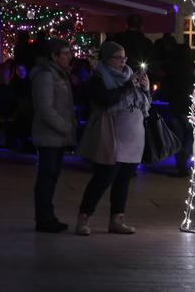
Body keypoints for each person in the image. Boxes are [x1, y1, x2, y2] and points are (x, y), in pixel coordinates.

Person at [75, 41, 150, 235]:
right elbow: (105, 100)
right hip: (111, 137)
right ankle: (84, 218)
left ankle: (117, 219)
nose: (123, 61)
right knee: (103, 178)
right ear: (107, 59)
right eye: (118, 57)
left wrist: (146, 89)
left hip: (133, 138)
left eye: (124, 57)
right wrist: (128, 85)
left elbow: (145, 105)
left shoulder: (129, 76)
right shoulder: (100, 78)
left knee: (123, 181)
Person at [29, 39, 77, 233]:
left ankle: (47, 216)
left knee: (51, 176)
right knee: (47, 177)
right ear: (54, 56)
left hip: (57, 135)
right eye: (65, 53)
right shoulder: (47, 76)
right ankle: (44, 218)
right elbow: (44, 108)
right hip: (50, 134)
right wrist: (64, 127)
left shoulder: (59, 74)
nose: (69, 57)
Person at [163, 42, 195, 177]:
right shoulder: (191, 69)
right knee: (189, 135)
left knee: (178, 135)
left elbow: (166, 86)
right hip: (188, 105)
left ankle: (180, 161)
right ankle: (183, 161)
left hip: (175, 104)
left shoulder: (172, 68)